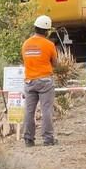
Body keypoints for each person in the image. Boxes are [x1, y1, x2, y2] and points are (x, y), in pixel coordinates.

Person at [21, 15, 58, 147]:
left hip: (29, 81)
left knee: (29, 111)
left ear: (35, 28)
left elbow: (24, 61)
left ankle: (28, 139)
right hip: (45, 81)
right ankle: (48, 139)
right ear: (47, 31)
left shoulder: (26, 44)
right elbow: (55, 63)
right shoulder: (49, 44)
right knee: (46, 110)